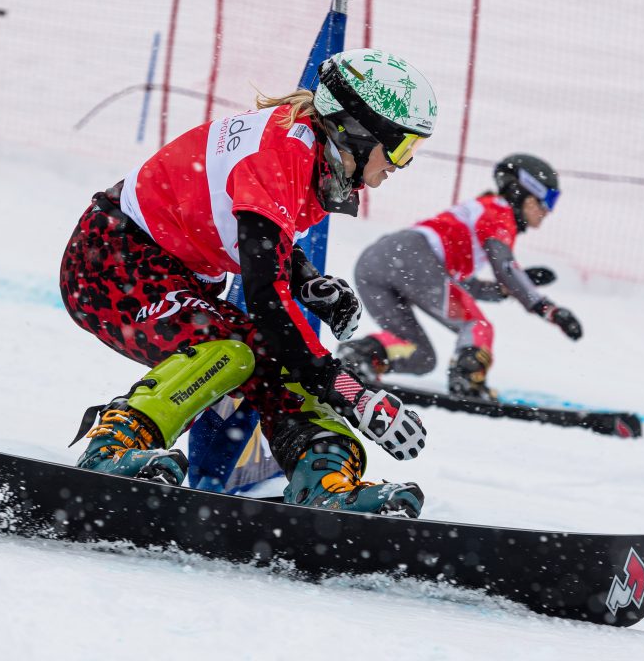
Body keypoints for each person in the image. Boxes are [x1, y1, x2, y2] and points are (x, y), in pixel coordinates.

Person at [59, 48, 436, 518]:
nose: (399, 167)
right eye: (401, 150)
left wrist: (308, 282)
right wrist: (351, 391)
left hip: (168, 268)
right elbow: (264, 298)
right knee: (232, 352)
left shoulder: (309, 150)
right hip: (111, 262)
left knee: (277, 359)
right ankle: (113, 446)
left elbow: (254, 235)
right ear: (355, 131)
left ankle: (325, 480)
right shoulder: (281, 157)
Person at [338, 154, 583, 400]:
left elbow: (465, 286)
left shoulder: (480, 213)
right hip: (414, 259)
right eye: (548, 201)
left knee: (421, 356)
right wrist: (546, 307)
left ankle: (361, 356)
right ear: (527, 194)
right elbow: (505, 266)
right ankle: (466, 378)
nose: (548, 212)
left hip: (377, 263)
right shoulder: (500, 210)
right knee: (477, 326)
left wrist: (508, 287)